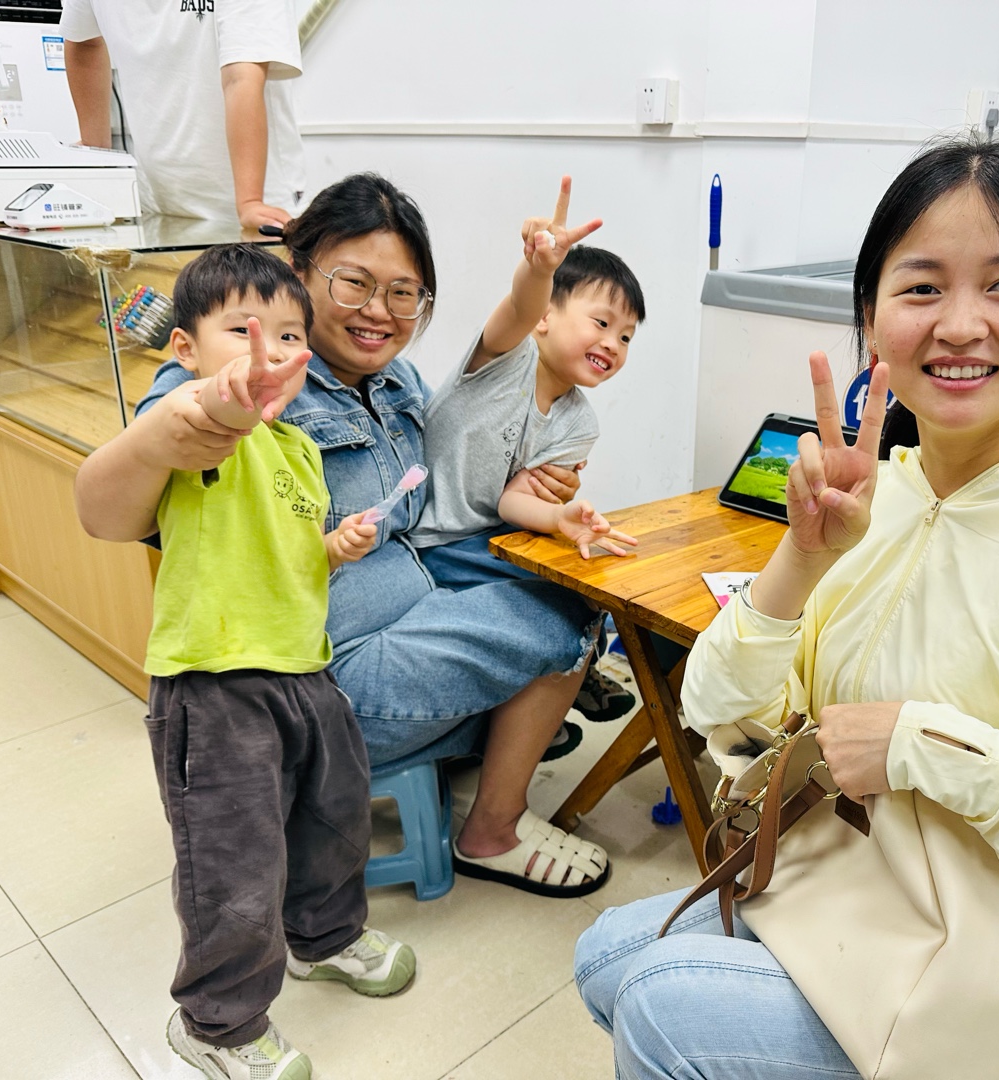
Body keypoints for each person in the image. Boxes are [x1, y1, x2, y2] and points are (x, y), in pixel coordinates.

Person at [573, 139, 999, 1079]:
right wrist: (801, 558)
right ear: (871, 317)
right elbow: (721, 719)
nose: (961, 325)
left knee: (661, 1008)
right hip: (864, 896)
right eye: (923, 287)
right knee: (603, 959)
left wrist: (928, 749)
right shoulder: (880, 496)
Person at [74, 173, 612, 899]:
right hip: (320, 678)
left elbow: (441, 486)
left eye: (403, 293)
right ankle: (493, 827)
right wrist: (166, 436)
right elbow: (105, 514)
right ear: (299, 272)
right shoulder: (247, 375)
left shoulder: (398, 383)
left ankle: (491, 738)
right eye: (355, 283)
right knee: (566, 622)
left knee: (570, 581)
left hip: (412, 613)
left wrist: (539, 491)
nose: (379, 312)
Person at [76, 244, 414, 1080]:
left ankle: (322, 938)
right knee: (235, 864)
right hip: (214, 686)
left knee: (332, 823)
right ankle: (217, 1025)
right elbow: (131, 474)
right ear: (185, 348)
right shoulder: (200, 427)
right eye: (243, 331)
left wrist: (333, 547)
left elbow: (289, 551)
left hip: (305, 671)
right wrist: (202, 412)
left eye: (290, 336)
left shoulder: (297, 449)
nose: (270, 352)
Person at [411, 177, 645, 586]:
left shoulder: (579, 424)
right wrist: (540, 269)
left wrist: (559, 517)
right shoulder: (508, 353)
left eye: (625, 337)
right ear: (545, 318)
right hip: (429, 536)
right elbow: (522, 306)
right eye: (602, 323)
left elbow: (513, 501)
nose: (613, 344)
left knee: (585, 583)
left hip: (489, 538)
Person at [61, 0, 303, 228]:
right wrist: (98, 156)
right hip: (159, 201)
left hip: (253, 204)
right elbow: (83, 40)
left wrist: (250, 201)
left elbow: (241, 76)